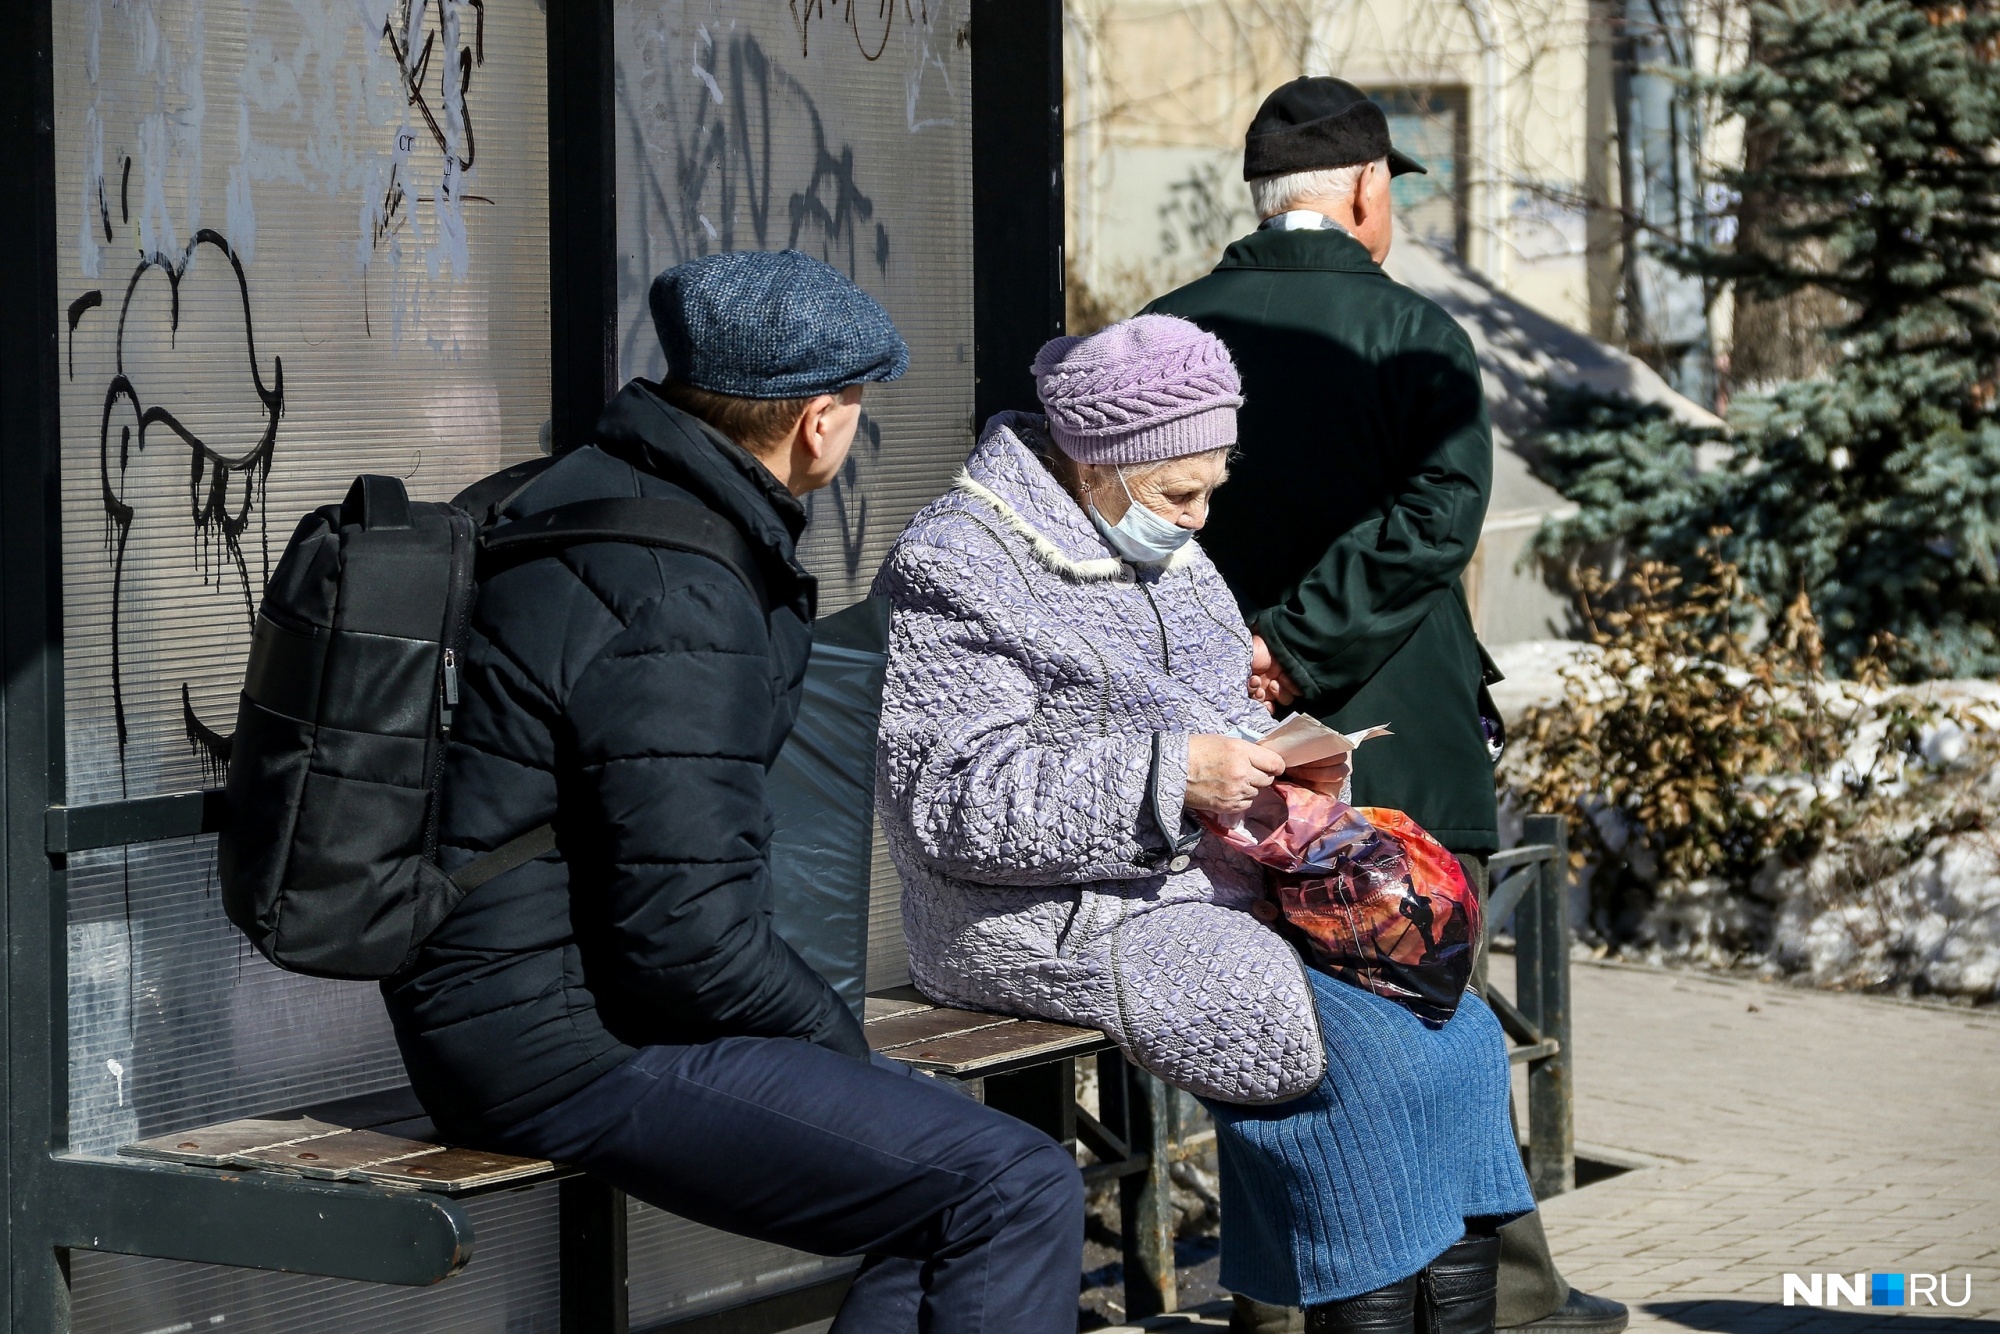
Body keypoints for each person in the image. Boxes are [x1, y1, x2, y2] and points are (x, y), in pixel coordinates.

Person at [380, 249, 1082, 1334]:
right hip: (559, 1045)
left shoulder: (596, 497)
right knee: (1010, 1183)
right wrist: (832, 1042)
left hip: (523, 1008)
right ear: (817, 419)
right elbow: (683, 932)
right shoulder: (681, 588)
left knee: (954, 1187)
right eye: (856, 405)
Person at [873, 313, 1536, 1333]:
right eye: (1179, 492)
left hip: (1204, 877)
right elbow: (948, 804)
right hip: (1043, 913)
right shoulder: (957, 566)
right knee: (1354, 1055)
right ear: (1095, 462)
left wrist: (1282, 759)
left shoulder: (1160, 541)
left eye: (1209, 490)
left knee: (1457, 1031)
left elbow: (1218, 697)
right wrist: (1167, 779)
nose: (1195, 518)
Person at [1144, 77, 1629, 1334]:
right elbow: (1434, 520)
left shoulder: (1156, 333)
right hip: (1392, 733)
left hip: (1219, 754)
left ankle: (1278, 1305)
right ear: (1365, 190)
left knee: (1264, 1023)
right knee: (1432, 1014)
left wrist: (1235, 647)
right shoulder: (1414, 332)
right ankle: (1507, 1304)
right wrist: (1295, 643)